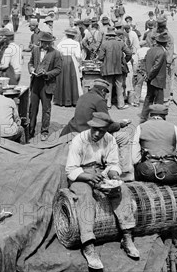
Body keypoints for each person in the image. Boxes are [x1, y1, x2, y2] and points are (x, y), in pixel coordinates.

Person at [65, 112, 139, 269]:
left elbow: (113, 163)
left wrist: (113, 173)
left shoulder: (110, 139)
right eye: (95, 130)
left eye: (102, 130)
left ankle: (127, 236)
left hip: (100, 173)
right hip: (81, 176)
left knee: (122, 189)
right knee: (85, 196)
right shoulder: (79, 140)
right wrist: (87, 177)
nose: (97, 134)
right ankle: (88, 244)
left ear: (107, 129)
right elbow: (71, 169)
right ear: (91, 127)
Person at [60, 79, 134, 179]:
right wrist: (120, 124)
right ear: (103, 91)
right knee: (124, 137)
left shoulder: (83, 96)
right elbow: (106, 125)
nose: (105, 96)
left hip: (75, 128)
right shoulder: (99, 100)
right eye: (106, 93)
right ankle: (125, 171)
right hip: (89, 131)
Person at [132, 104, 177, 184]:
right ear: (165, 116)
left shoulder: (140, 127)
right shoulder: (174, 127)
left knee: (137, 168)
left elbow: (134, 159)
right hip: (171, 173)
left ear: (150, 114)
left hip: (148, 173)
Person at [28, 32, 62, 141]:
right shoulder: (35, 50)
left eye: (48, 43)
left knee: (46, 109)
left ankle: (44, 131)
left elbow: (58, 69)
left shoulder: (56, 53)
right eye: (44, 43)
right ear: (41, 42)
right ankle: (31, 130)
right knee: (33, 108)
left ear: (51, 43)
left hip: (47, 84)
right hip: (35, 83)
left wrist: (47, 74)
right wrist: (32, 69)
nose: (46, 45)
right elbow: (30, 63)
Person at [97, 27, 132, 110]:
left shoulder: (104, 44)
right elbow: (129, 53)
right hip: (119, 68)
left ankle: (108, 104)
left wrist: (105, 60)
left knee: (108, 86)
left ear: (108, 36)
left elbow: (100, 57)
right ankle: (121, 104)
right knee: (119, 86)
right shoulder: (121, 43)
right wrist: (125, 61)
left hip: (108, 68)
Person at [141, 33, 168, 122]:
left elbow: (144, 61)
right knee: (159, 100)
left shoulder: (150, 50)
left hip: (150, 79)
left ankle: (144, 116)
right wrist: (150, 76)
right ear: (165, 43)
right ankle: (158, 117)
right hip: (157, 79)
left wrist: (145, 73)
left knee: (149, 97)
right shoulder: (162, 52)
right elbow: (156, 67)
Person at [54, 28, 83, 107]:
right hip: (71, 61)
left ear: (66, 35)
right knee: (72, 79)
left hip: (62, 60)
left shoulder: (61, 43)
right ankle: (72, 99)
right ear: (74, 36)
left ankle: (61, 100)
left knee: (62, 79)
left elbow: (57, 52)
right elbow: (78, 56)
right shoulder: (76, 43)